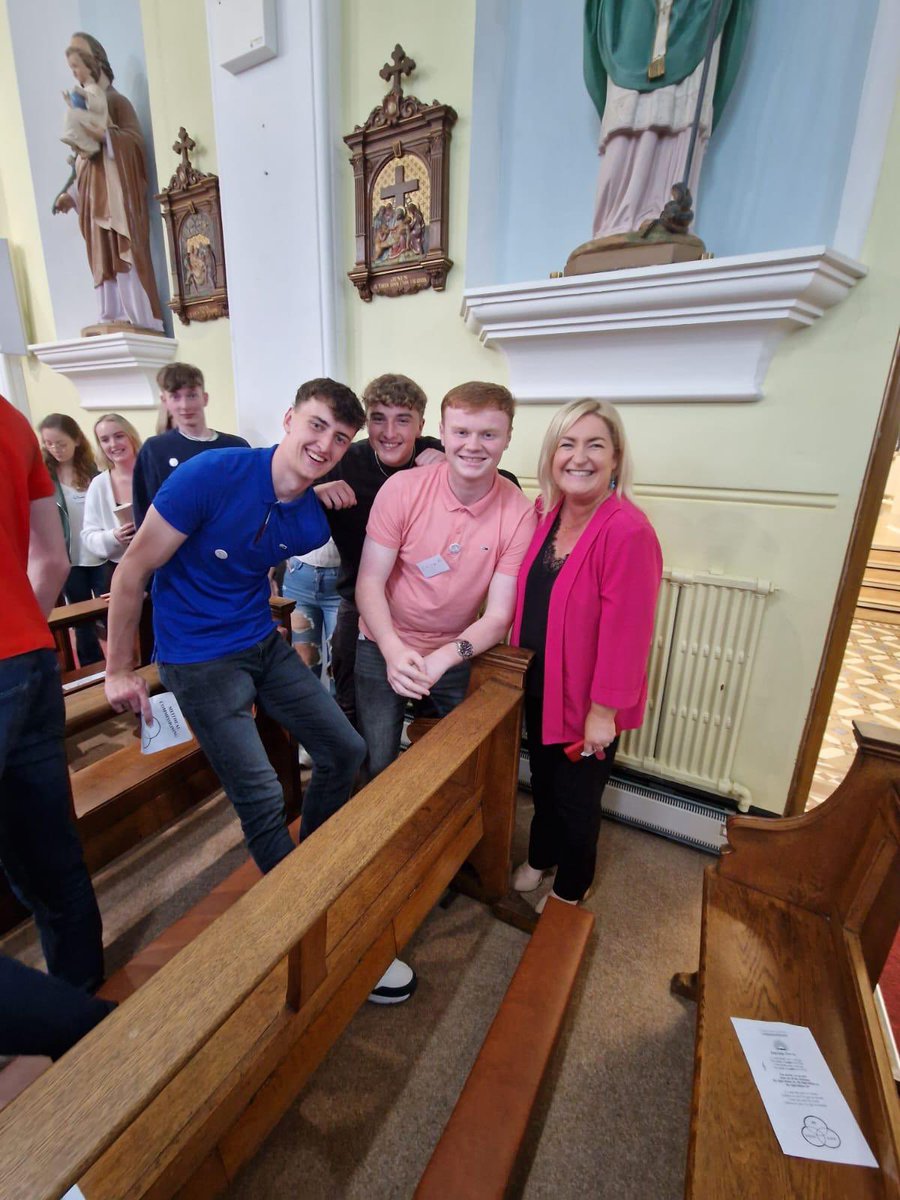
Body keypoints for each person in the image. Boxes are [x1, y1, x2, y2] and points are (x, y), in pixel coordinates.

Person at [103, 379, 416, 1004]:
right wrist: (118, 667)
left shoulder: (307, 519)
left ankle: (311, 868)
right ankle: (318, 920)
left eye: (339, 437)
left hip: (259, 643)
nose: (325, 444)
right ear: (289, 418)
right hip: (196, 658)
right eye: (316, 425)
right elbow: (134, 569)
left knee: (344, 749)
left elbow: (256, 556)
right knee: (261, 795)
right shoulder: (211, 475)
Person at [510, 400, 662, 913]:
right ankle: (540, 856)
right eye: (567, 444)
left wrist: (604, 712)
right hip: (540, 683)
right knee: (544, 784)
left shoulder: (627, 530)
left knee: (576, 801)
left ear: (616, 458)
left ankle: (571, 886)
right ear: (552, 455)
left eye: (594, 444)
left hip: (587, 699)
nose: (579, 457)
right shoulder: (546, 513)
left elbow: (630, 633)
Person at [0, 395, 114, 1059]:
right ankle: (79, 991)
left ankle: (87, 1033)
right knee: (49, 852)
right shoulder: (12, 418)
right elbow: (52, 555)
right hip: (27, 657)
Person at [354, 382, 536, 781]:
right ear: (441, 429)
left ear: (508, 437)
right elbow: (369, 581)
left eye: (488, 434)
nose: (473, 446)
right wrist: (392, 648)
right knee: (376, 761)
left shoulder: (520, 514)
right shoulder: (402, 490)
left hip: (455, 649)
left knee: (458, 763)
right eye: (461, 432)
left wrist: (442, 658)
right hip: (382, 639)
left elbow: (500, 614)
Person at [323, 373, 444, 728]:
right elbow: (285, 492)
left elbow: (505, 485)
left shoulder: (439, 452)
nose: (389, 432)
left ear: (420, 425)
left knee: (434, 715)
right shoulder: (344, 460)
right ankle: (362, 784)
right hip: (358, 602)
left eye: (402, 420)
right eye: (379, 418)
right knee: (349, 705)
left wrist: (453, 468)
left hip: (426, 609)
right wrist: (316, 492)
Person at [583, 0, 752, 238]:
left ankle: (665, 213)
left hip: (694, 13)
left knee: (681, 106)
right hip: (633, 13)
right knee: (626, 112)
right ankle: (616, 222)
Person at [51, 32, 163, 332]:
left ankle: (136, 314)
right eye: (72, 68)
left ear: (96, 63)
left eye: (80, 64)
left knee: (121, 249)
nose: (76, 73)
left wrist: (106, 136)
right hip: (92, 199)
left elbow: (135, 142)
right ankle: (109, 312)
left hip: (117, 198)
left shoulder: (116, 102)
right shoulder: (82, 108)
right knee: (101, 255)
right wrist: (71, 195)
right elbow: (84, 163)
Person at [132, 362, 250, 528]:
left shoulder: (236, 447)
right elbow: (144, 515)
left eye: (192, 395)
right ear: (164, 401)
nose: (185, 406)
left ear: (205, 398)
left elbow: (250, 506)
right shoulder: (155, 450)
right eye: (175, 396)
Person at [38, 412, 108, 667]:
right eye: (49, 443)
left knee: (109, 611)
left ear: (77, 440)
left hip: (100, 554)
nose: (55, 449)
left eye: (61, 443)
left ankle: (119, 663)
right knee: (80, 619)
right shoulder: (45, 477)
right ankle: (91, 666)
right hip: (71, 557)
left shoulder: (95, 472)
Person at [82, 413, 142, 566]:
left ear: (131, 437)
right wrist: (114, 537)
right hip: (120, 567)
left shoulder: (153, 474)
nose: (113, 444)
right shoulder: (99, 484)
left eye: (119, 436)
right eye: (105, 440)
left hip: (162, 564)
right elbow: (88, 535)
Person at [60, 44, 107, 158]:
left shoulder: (94, 88)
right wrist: (69, 102)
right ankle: (78, 143)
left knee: (72, 114)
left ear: (88, 67)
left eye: (75, 66)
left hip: (97, 122)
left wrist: (84, 94)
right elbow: (80, 108)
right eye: (71, 68)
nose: (73, 72)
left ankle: (89, 145)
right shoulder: (87, 89)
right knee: (70, 113)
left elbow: (100, 106)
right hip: (88, 119)